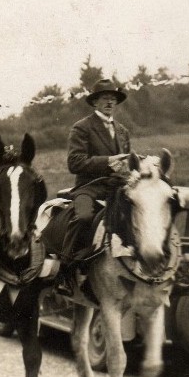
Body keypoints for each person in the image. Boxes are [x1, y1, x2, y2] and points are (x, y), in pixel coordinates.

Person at [61, 78, 132, 261]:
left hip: (117, 187)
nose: (109, 102)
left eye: (113, 99)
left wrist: (130, 165)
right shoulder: (82, 127)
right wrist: (107, 161)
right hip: (89, 187)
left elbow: (126, 160)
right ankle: (66, 267)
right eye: (104, 98)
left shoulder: (123, 131)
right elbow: (75, 162)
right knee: (84, 217)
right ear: (94, 102)